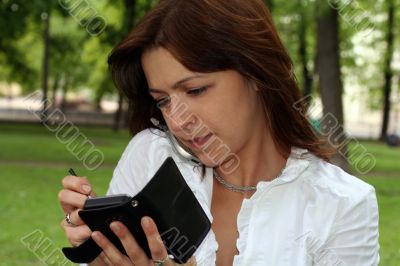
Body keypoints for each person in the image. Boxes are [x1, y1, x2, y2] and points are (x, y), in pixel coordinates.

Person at [58, 0, 380, 265]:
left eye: (196, 90)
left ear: (256, 73)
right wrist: (100, 254)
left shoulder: (344, 206)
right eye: (163, 101)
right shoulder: (151, 155)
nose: (178, 119)